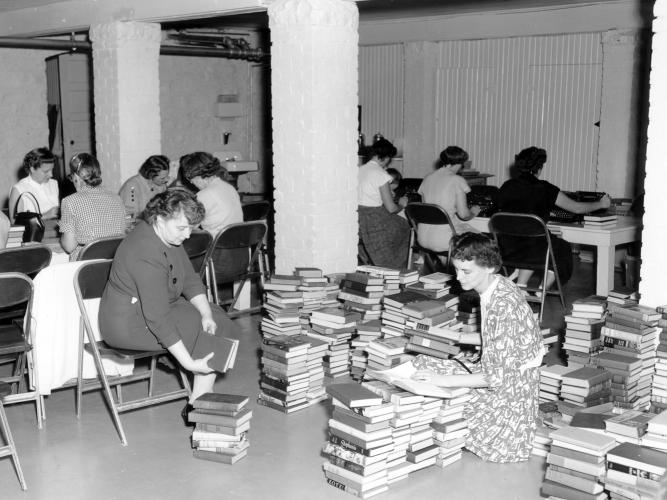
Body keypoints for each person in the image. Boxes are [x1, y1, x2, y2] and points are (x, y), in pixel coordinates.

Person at [99, 188, 242, 421]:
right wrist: (188, 363)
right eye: (182, 228)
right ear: (160, 219)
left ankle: (199, 399)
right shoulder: (143, 250)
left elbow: (189, 279)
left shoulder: (168, 237)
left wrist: (206, 313)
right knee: (196, 327)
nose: (187, 235)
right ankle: (201, 403)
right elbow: (157, 317)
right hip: (128, 324)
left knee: (216, 319)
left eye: (190, 228)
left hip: (158, 309)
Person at [411, 232, 544, 463]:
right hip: (503, 374)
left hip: (509, 393)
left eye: (467, 271)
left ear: (490, 267)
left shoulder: (503, 305)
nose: (459, 277)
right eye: (457, 269)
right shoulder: (498, 285)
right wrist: (449, 335)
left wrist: (441, 380)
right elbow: (493, 337)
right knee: (423, 363)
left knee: (435, 386)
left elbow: (495, 377)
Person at [497, 146, 611, 292]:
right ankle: (542, 290)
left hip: (508, 249)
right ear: (539, 168)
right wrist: (601, 203)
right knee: (561, 248)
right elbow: (576, 208)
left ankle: (521, 285)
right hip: (533, 250)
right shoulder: (545, 188)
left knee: (538, 243)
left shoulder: (506, 186)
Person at [59, 153, 127, 261]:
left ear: (76, 176)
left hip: (86, 265)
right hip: (114, 263)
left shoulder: (70, 201)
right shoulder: (117, 198)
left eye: (71, 177)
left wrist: (62, 237)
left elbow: (69, 246)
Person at [358, 137, 411, 268]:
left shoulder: (360, 169)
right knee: (405, 227)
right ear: (386, 157)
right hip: (374, 219)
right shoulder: (380, 174)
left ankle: (371, 261)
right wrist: (402, 205)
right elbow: (391, 208)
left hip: (359, 217)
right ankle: (394, 266)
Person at [417, 146, 480, 253]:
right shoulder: (457, 180)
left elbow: (428, 209)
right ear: (461, 163)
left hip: (422, 237)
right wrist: (473, 212)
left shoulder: (428, 178)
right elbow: (464, 215)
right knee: (482, 240)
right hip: (446, 240)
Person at [179, 151, 243, 236]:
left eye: (190, 178)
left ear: (197, 175)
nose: (191, 182)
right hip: (240, 243)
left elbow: (190, 226)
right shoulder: (229, 188)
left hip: (217, 245)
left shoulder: (203, 195)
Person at [8, 147, 60, 221]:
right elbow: (15, 224)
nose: (51, 175)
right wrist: (44, 216)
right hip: (34, 232)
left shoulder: (53, 184)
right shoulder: (18, 189)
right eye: (46, 171)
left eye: (52, 170)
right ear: (32, 169)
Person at [119, 154, 171, 219]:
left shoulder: (161, 185)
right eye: (162, 178)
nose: (167, 180)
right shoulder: (131, 187)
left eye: (167, 176)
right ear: (151, 176)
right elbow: (129, 216)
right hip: (138, 226)